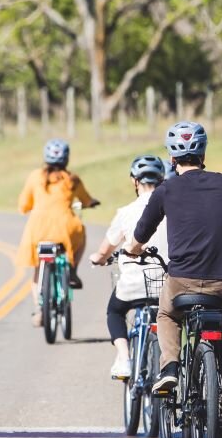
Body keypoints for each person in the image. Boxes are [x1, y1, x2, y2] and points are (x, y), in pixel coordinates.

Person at [125, 121, 222, 438]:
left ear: (171, 156)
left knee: (166, 314)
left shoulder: (166, 190)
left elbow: (141, 233)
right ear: (204, 152)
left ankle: (169, 366)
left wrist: (132, 250)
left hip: (181, 283)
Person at [89, 153, 170, 380]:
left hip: (133, 286)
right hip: (167, 284)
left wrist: (98, 258)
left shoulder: (125, 213)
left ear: (135, 181)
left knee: (114, 311)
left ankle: (124, 358)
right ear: (162, 180)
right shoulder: (174, 209)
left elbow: (105, 250)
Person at [16, 138, 100, 321]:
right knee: (82, 232)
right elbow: (86, 200)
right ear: (66, 159)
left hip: (37, 230)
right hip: (66, 229)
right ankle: (73, 269)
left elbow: (23, 206)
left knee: (38, 270)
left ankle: (39, 309)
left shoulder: (35, 177)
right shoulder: (72, 179)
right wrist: (91, 203)